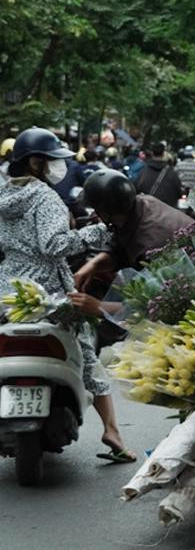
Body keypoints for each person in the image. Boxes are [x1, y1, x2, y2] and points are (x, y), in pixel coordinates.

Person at [0, 128, 135, 463]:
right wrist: (96, 231)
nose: (56, 168)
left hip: (8, 288)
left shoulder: (2, 193)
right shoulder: (43, 197)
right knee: (86, 350)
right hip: (47, 290)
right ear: (34, 163)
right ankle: (112, 432)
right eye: (51, 161)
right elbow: (53, 245)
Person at [71, 169, 195, 294]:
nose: (94, 215)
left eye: (95, 210)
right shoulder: (141, 203)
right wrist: (93, 265)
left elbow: (157, 299)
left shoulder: (149, 243)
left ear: (105, 214)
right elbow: (118, 249)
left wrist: (98, 307)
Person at [134, 142, 182, 208]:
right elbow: (179, 192)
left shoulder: (144, 171)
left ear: (152, 153)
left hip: (149, 211)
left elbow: (136, 189)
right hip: (168, 211)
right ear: (163, 154)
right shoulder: (171, 172)